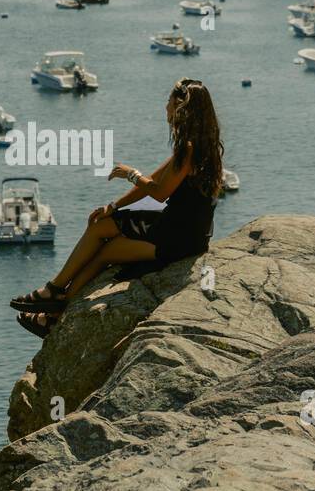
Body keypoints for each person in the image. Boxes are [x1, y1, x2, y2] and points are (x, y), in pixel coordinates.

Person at [11, 78, 223, 337]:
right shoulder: (199, 146)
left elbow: (159, 192)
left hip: (179, 238)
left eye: (168, 101)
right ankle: (54, 297)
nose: (165, 107)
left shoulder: (188, 149)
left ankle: (55, 304)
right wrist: (112, 206)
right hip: (184, 228)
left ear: (180, 107)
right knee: (103, 224)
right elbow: (153, 183)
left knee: (106, 252)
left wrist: (131, 173)